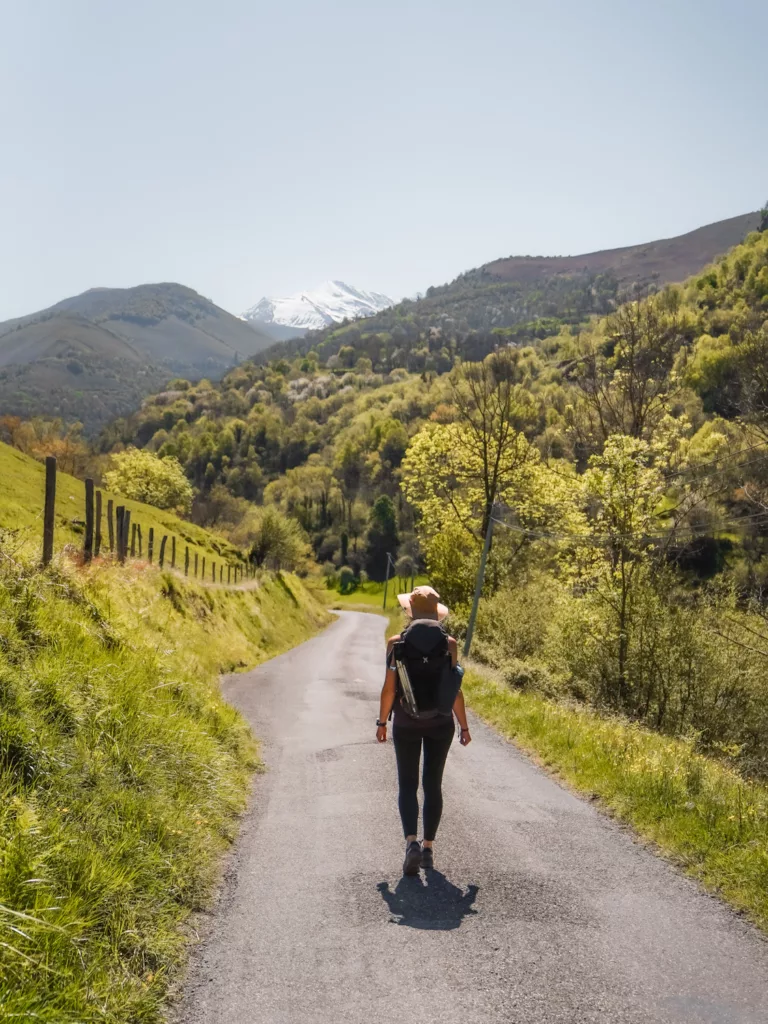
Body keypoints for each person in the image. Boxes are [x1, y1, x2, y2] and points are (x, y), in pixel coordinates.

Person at [376, 585, 471, 876]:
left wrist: (382, 722)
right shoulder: (450, 644)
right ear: (436, 613)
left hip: (406, 721)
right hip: (441, 723)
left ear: (410, 610)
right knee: (433, 785)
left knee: (407, 784)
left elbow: (389, 689)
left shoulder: (396, 642)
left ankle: (411, 844)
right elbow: (455, 690)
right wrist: (464, 727)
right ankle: (429, 849)